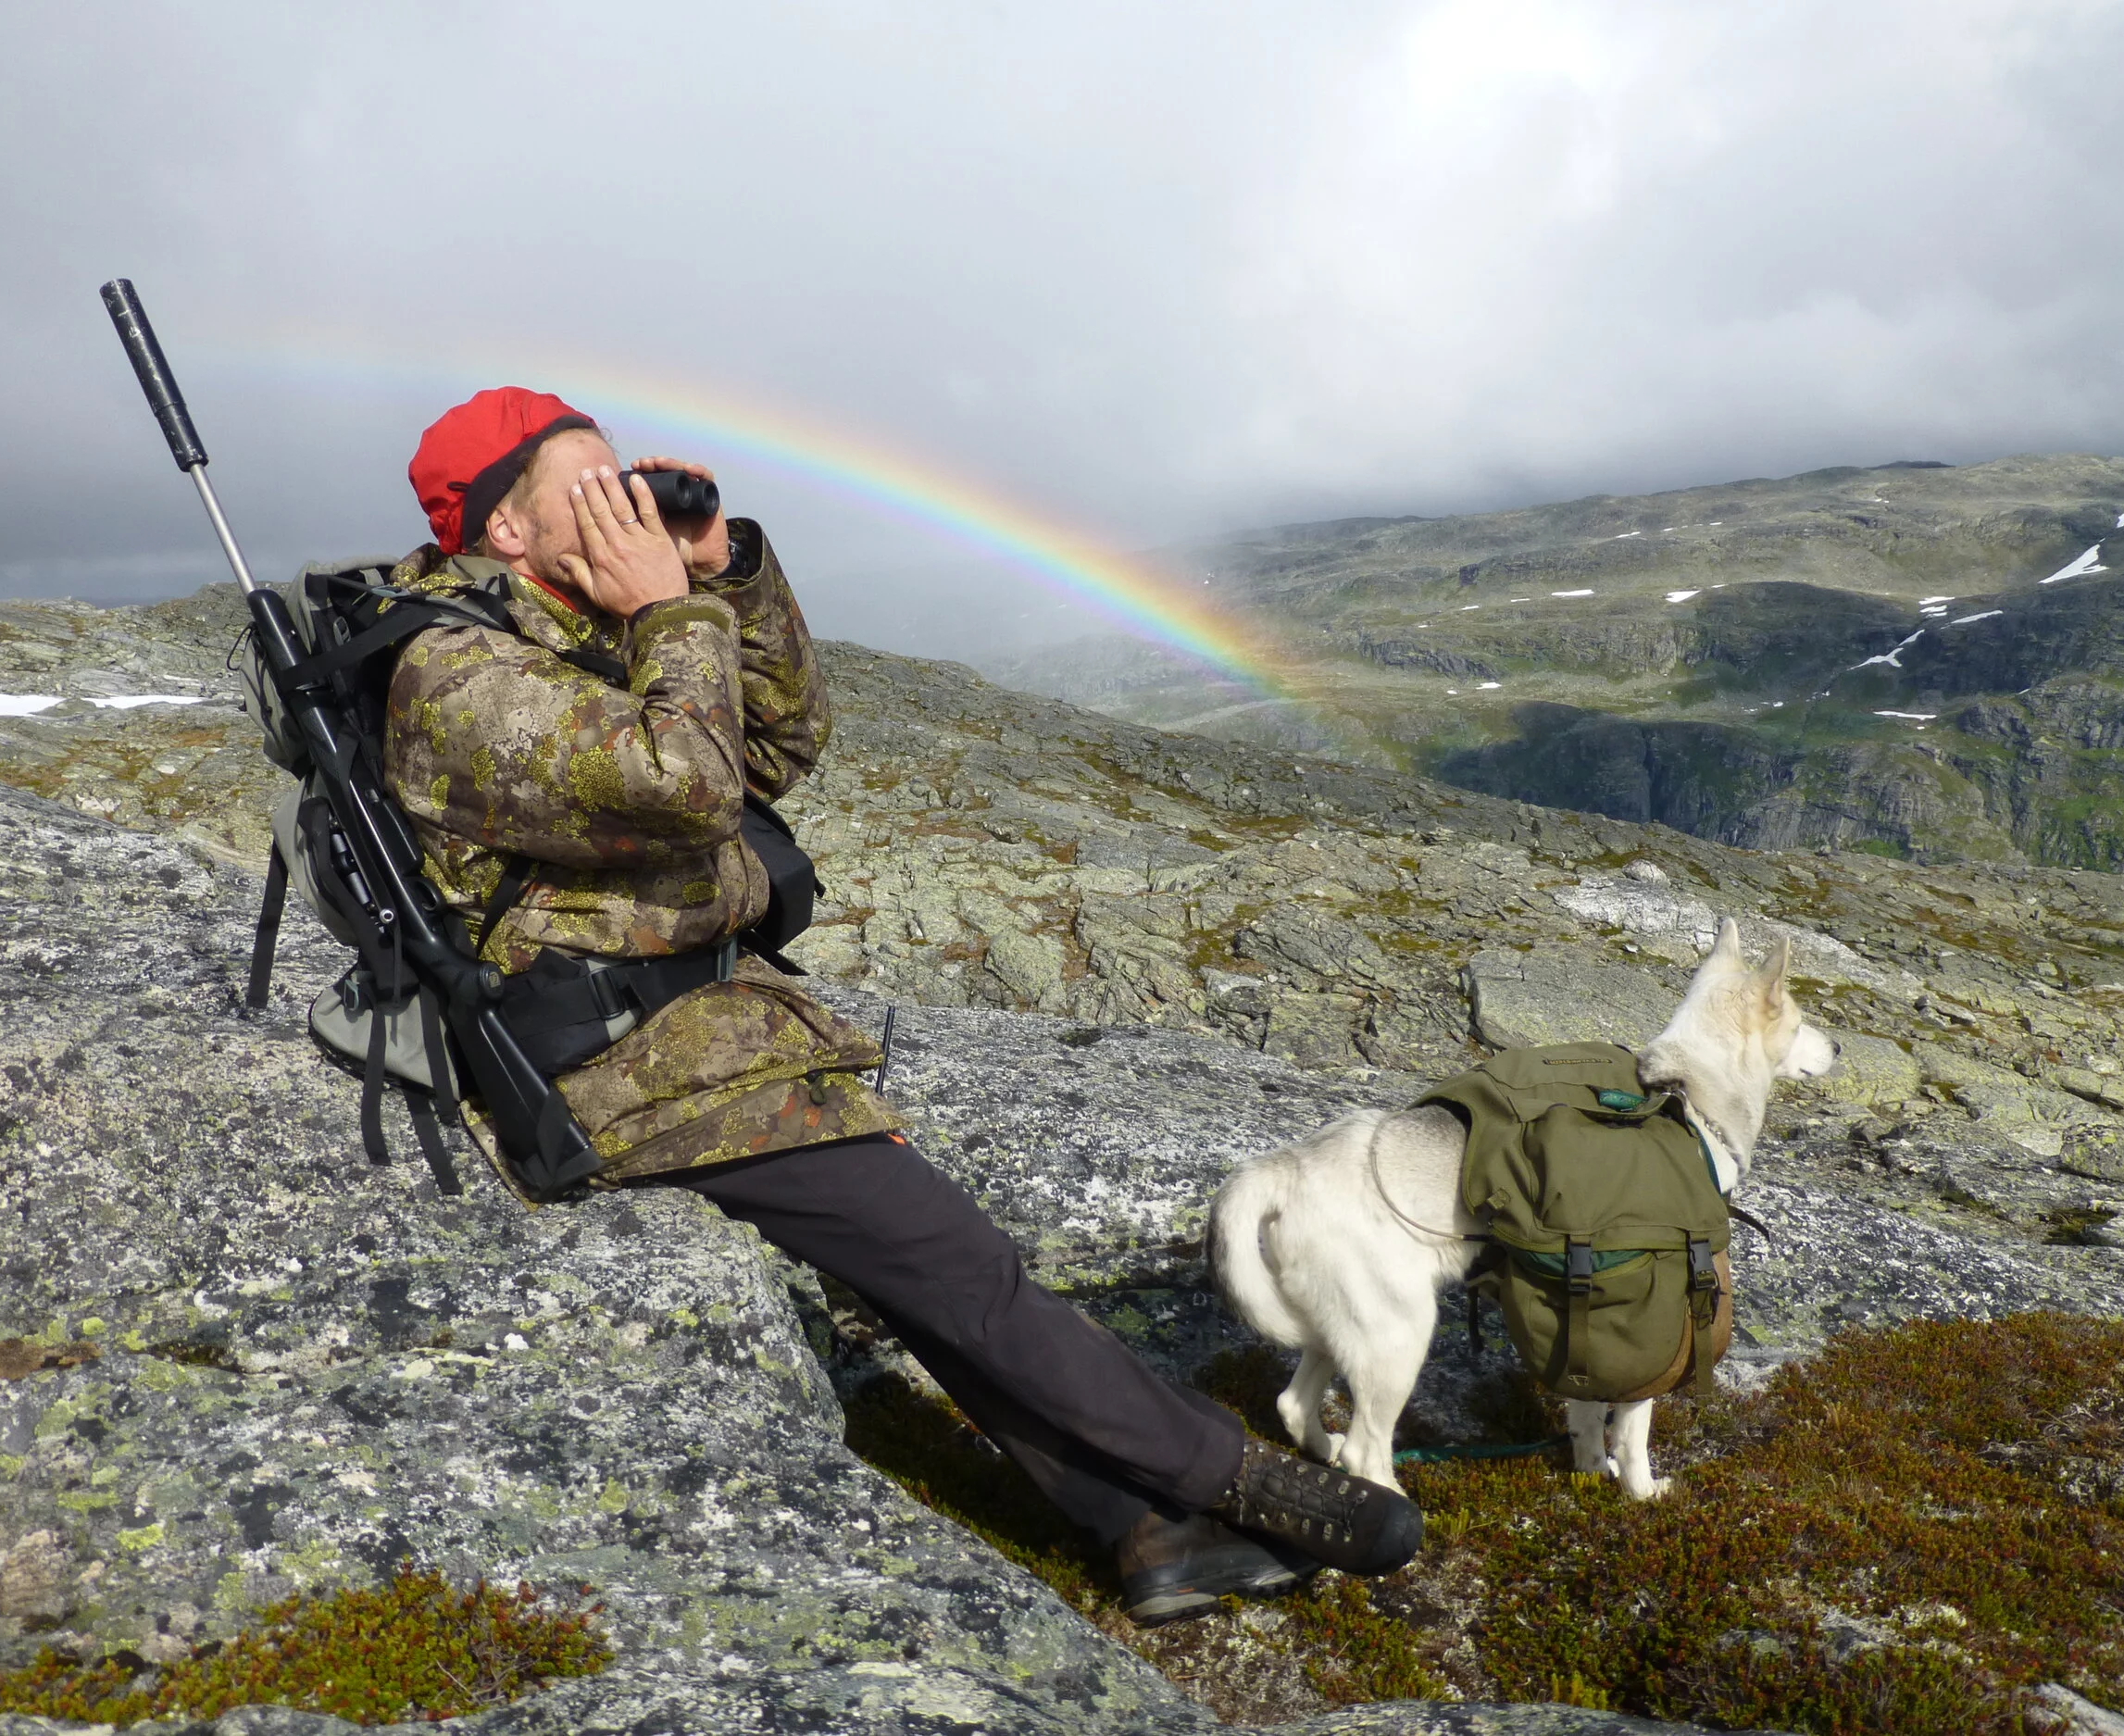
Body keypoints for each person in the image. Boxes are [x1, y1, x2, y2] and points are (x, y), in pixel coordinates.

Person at [380, 387, 1422, 1625]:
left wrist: (726, 574)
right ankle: (1234, 1479)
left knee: (923, 1276)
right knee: (960, 1266)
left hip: (700, 1026)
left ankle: (1143, 1530)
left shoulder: (574, 625)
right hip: (624, 1062)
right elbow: (695, 782)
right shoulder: (456, 677)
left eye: (630, 482)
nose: (629, 510)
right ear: (505, 531)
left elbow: (779, 742)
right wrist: (666, 607)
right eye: (592, 493)